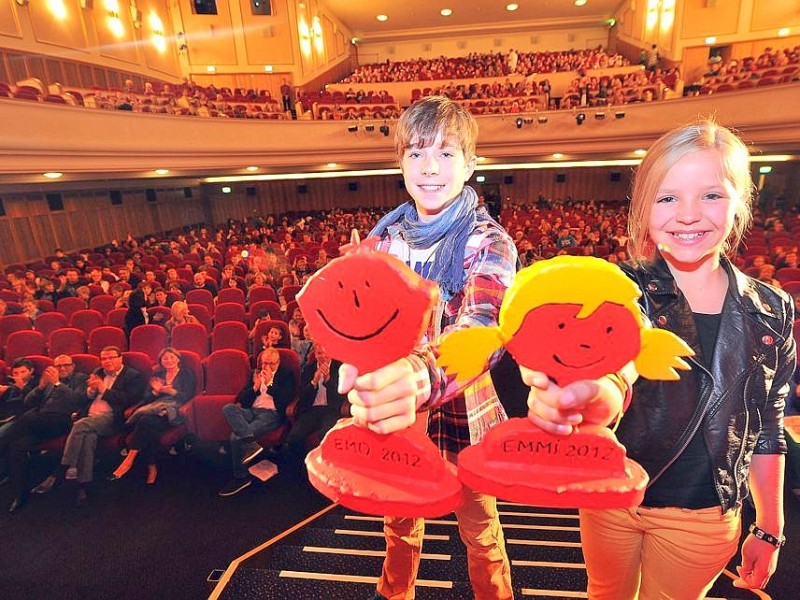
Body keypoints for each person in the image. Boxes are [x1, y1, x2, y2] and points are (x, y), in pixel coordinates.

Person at [522, 120, 794, 598]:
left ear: (741, 203)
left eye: (710, 195)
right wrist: (585, 396)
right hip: (609, 497)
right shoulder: (615, 292)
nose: (688, 215)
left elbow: (767, 425)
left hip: (704, 515)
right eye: (668, 198)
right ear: (644, 207)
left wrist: (770, 527)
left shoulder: (772, 311)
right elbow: (614, 373)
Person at [340, 96, 517, 599]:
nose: (430, 168)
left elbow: (481, 325)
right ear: (400, 164)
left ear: (470, 163)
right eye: (416, 153)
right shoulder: (385, 238)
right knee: (398, 528)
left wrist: (417, 376)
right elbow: (367, 322)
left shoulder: (489, 241)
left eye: (446, 153)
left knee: (479, 532)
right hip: (399, 418)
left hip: (462, 412)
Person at [31, 346, 146, 505]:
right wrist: (90, 392)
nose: (107, 361)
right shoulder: (98, 372)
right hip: (90, 416)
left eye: (111, 357)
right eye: (104, 358)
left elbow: (128, 400)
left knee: (80, 425)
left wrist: (103, 390)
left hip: (112, 418)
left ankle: (60, 470)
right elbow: (79, 399)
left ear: (120, 358)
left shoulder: (133, 376)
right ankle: (84, 486)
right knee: (87, 438)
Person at [0, 356, 88, 513]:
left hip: (63, 422)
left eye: (66, 365)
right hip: (40, 424)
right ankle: (20, 492)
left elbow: (77, 400)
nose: (62, 369)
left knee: (27, 418)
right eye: (58, 366)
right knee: (16, 447)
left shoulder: (81, 379)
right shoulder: (47, 380)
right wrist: (40, 387)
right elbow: (28, 402)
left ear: (73, 366)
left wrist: (57, 383)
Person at [109, 348, 196, 485]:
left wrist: (172, 391)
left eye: (172, 357)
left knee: (145, 422)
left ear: (178, 359)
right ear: (161, 361)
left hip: (174, 409)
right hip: (155, 408)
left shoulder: (186, 374)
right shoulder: (158, 374)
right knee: (148, 425)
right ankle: (151, 466)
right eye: (165, 358)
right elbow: (146, 397)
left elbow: (189, 396)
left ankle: (130, 460)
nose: (169, 361)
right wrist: (156, 391)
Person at [218, 347, 296, 497]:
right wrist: (255, 387)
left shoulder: (287, 375)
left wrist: (270, 383)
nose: (267, 367)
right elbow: (241, 399)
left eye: (271, 363)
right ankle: (251, 443)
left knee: (235, 437)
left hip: (271, 414)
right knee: (228, 408)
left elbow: (286, 399)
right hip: (252, 411)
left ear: (278, 362)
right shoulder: (256, 373)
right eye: (264, 363)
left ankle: (241, 477)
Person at [269, 342, 346, 470]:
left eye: (326, 353)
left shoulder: (339, 367)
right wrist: (314, 382)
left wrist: (327, 379)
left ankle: (326, 470)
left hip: (331, 410)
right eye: (320, 353)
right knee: (293, 438)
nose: (323, 356)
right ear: (315, 354)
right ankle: (301, 470)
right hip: (312, 410)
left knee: (325, 436)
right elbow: (303, 398)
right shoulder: (309, 369)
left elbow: (341, 396)